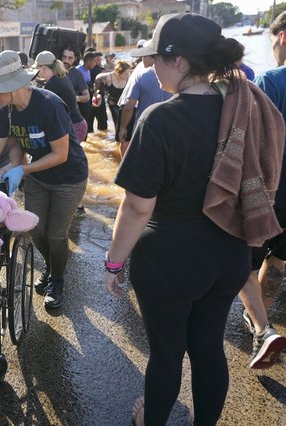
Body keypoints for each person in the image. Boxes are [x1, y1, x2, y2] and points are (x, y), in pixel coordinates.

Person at [105, 13, 285, 426]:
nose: (150, 68)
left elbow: (136, 208)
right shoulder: (243, 108)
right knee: (208, 348)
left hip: (169, 259)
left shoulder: (160, 118)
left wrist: (114, 263)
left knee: (167, 355)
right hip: (229, 254)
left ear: (179, 60)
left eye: (155, 59)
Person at [0, 50, 88, 310]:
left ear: (13, 87)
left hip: (68, 178)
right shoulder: (6, 111)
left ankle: (57, 281)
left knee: (57, 234)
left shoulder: (49, 104)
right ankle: (50, 268)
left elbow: (60, 155)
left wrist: (22, 170)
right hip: (38, 176)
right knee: (35, 229)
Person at [237, 11, 286, 370]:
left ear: (283, 37)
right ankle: (262, 327)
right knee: (278, 262)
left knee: (239, 261)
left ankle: (261, 328)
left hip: (270, 196)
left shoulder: (272, 80)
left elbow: (254, 142)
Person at [117, 43, 171, 156]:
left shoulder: (142, 76)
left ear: (151, 57)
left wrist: (123, 128)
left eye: (144, 56)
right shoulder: (177, 76)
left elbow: (129, 107)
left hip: (144, 131)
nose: (142, 59)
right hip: (168, 132)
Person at [34, 50, 87, 144]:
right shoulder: (61, 77)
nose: (36, 72)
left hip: (74, 126)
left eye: (37, 68)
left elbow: (43, 110)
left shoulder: (52, 84)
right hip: (79, 124)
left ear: (43, 68)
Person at [93, 59, 132, 139]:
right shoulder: (109, 77)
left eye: (129, 73)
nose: (128, 75)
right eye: (125, 73)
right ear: (118, 72)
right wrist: (96, 92)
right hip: (112, 103)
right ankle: (118, 140)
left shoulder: (128, 78)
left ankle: (122, 140)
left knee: (125, 124)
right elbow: (97, 78)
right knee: (117, 121)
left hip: (123, 104)